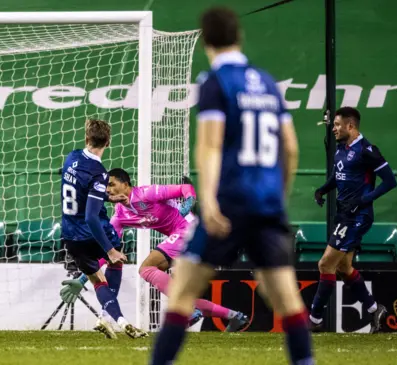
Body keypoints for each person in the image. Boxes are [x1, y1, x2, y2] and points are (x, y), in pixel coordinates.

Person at [150, 7, 314, 365]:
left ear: (206, 41)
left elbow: (209, 145)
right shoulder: (267, 81)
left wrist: (207, 202)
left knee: (181, 292)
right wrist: (278, 200)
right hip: (268, 207)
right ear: (239, 36)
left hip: (229, 204)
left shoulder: (216, 81)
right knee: (288, 301)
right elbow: (290, 147)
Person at [60, 169, 249, 332]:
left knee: (146, 269)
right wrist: (84, 277)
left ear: (126, 184)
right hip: (181, 237)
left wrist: (189, 200)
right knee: (182, 293)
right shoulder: (119, 216)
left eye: (112, 184)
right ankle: (234, 316)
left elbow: (185, 189)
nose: (108, 189)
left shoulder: (146, 193)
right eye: (106, 187)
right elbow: (107, 251)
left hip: (190, 230)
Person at [310, 106, 396, 332]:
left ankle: (314, 319)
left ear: (351, 125)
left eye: (337, 125)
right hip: (344, 214)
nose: (334, 129)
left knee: (325, 263)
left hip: (358, 216)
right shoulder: (341, 149)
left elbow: (390, 181)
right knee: (344, 267)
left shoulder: (368, 150)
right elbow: (338, 176)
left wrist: (365, 199)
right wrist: (322, 190)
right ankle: (374, 309)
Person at [60, 118, 147, 339]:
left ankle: (115, 320)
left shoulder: (71, 158)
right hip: (91, 233)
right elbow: (90, 216)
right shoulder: (99, 173)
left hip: (70, 235)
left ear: (86, 138)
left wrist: (109, 197)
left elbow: (81, 192)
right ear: (108, 143)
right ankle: (109, 318)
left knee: (97, 279)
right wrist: (109, 250)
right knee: (115, 260)